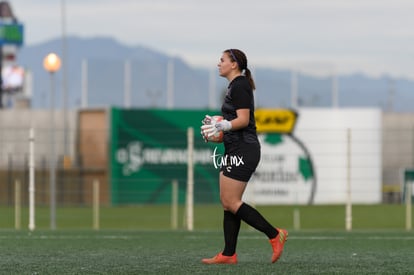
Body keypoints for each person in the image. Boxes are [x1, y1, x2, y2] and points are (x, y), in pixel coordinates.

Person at [200, 49, 288, 264]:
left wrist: (222, 124)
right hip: (235, 148)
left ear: (234, 64)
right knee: (227, 202)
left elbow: (243, 120)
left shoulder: (240, 84)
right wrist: (217, 134)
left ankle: (275, 234)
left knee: (231, 201)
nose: (218, 63)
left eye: (222, 60)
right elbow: (232, 127)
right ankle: (229, 254)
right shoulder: (234, 86)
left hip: (244, 149)